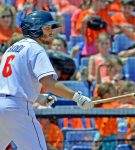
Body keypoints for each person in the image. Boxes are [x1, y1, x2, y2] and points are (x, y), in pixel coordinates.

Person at [0, 10, 94, 150]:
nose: (51, 32)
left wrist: (37, 98)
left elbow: (11, 83)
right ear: (35, 29)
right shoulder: (36, 48)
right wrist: (76, 97)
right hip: (18, 109)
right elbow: (49, 83)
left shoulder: (11, 49)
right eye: (47, 27)